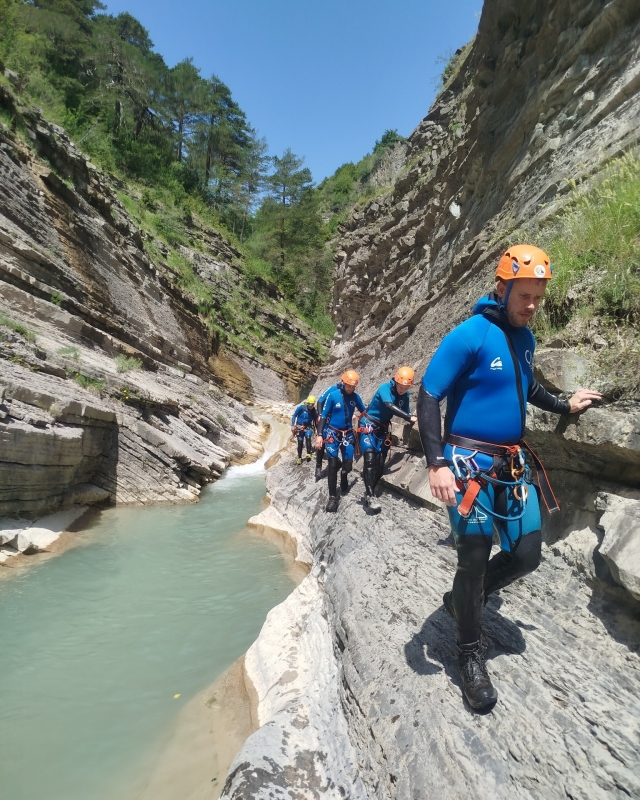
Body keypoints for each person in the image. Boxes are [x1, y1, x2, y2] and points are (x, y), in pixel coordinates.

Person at [417, 244, 602, 711]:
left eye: (538, 296)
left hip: (511, 464)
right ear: (502, 289)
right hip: (466, 465)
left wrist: (566, 404)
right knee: (473, 558)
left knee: (526, 555)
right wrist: (436, 463)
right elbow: (428, 395)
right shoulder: (469, 335)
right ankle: (468, 654)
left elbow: (527, 386)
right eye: (524, 295)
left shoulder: (525, 339)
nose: (532, 305)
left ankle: (467, 598)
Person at [358, 367, 418, 513]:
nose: (403, 390)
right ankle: (371, 495)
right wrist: (409, 418)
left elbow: (407, 412)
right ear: (395, 381)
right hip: (369, 425)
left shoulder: (406, 395)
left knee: (380, 462)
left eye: (406, 387)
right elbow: (389, 405)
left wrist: (416, 420)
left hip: (383, 429)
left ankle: (370, 489)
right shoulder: (384, 387)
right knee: (370, 458)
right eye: (401, 386)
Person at [315, 370, 365, 512]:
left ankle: (344, 475)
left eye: (353, 386)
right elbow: (323, 416)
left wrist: (371, 420)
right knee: (332, 464)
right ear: (343, 383)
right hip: (332, 434)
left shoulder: (355, 397)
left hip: (348, 435)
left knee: (348, 465)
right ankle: (332, 498)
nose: (350, 389)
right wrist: (319, 435)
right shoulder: (333, 395)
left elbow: (364, 412)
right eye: (348, 386)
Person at [314, 385, 336, 481]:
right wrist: (320, 414)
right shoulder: (332, 389)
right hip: (325, 418)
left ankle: (335, 463)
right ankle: (318, 466)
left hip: (335, 420)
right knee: (322, 442)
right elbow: (320, 401)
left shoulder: (349, 393)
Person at [291, 396, 318, 465]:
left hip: (308, 427)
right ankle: (299, 457)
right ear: (307, 403)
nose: (311, 406)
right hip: (299, 427)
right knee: (300, 442)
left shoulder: (313, 411)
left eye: (312, 405)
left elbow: (315, 421)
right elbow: (294, 415)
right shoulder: (301, 408)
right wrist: (292, 425)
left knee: (308, 437)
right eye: (309, 404)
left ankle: (309, 453)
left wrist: (318, 431)